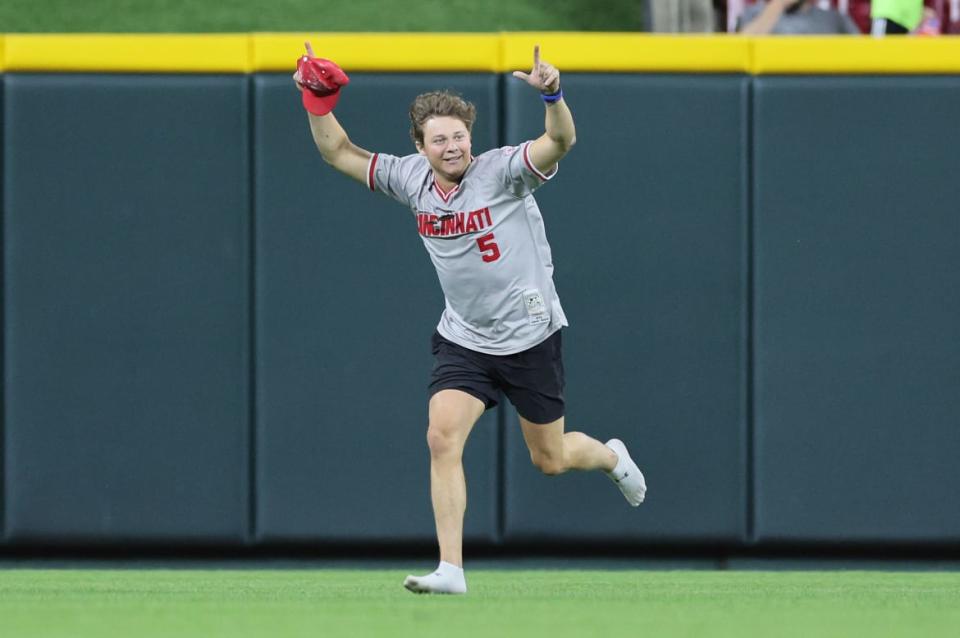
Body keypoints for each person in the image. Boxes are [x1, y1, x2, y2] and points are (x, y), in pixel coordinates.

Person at [294, 42, 647, 595]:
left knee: (550, 459)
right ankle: (451, 569)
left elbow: (561, 140)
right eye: (440, 138)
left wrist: (553, 94)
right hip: (465, 339)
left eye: (458, 135)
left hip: (530, 336)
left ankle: (608, 456)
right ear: (421, 145)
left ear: (469, 138)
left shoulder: (502, 171)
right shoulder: (411, 179)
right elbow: (339, 153)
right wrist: (316, 101)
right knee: (441, 437)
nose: (452, 145)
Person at [737, 0, 861, 34]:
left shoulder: (834, 19)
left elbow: (864, 56)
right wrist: (779, 3)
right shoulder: (754, 14)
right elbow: (740, 51)